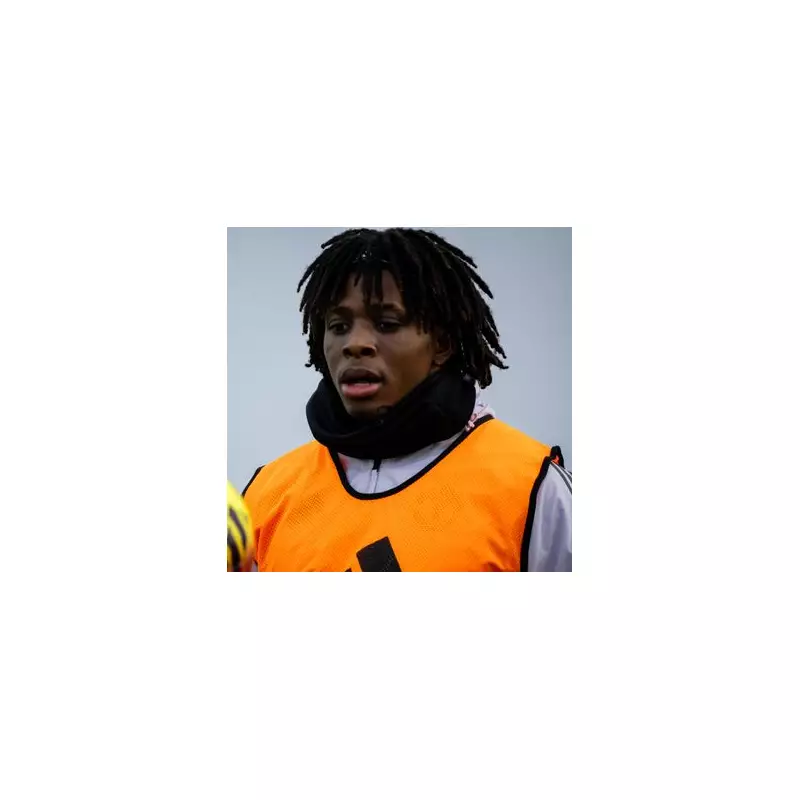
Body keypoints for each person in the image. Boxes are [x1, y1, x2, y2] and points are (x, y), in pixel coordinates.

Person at [243, 228, 571, 572]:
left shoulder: (533, 487)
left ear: (441, 345)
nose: (355, 344)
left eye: (386, 323)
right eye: (338, 326)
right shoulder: (267, 494)